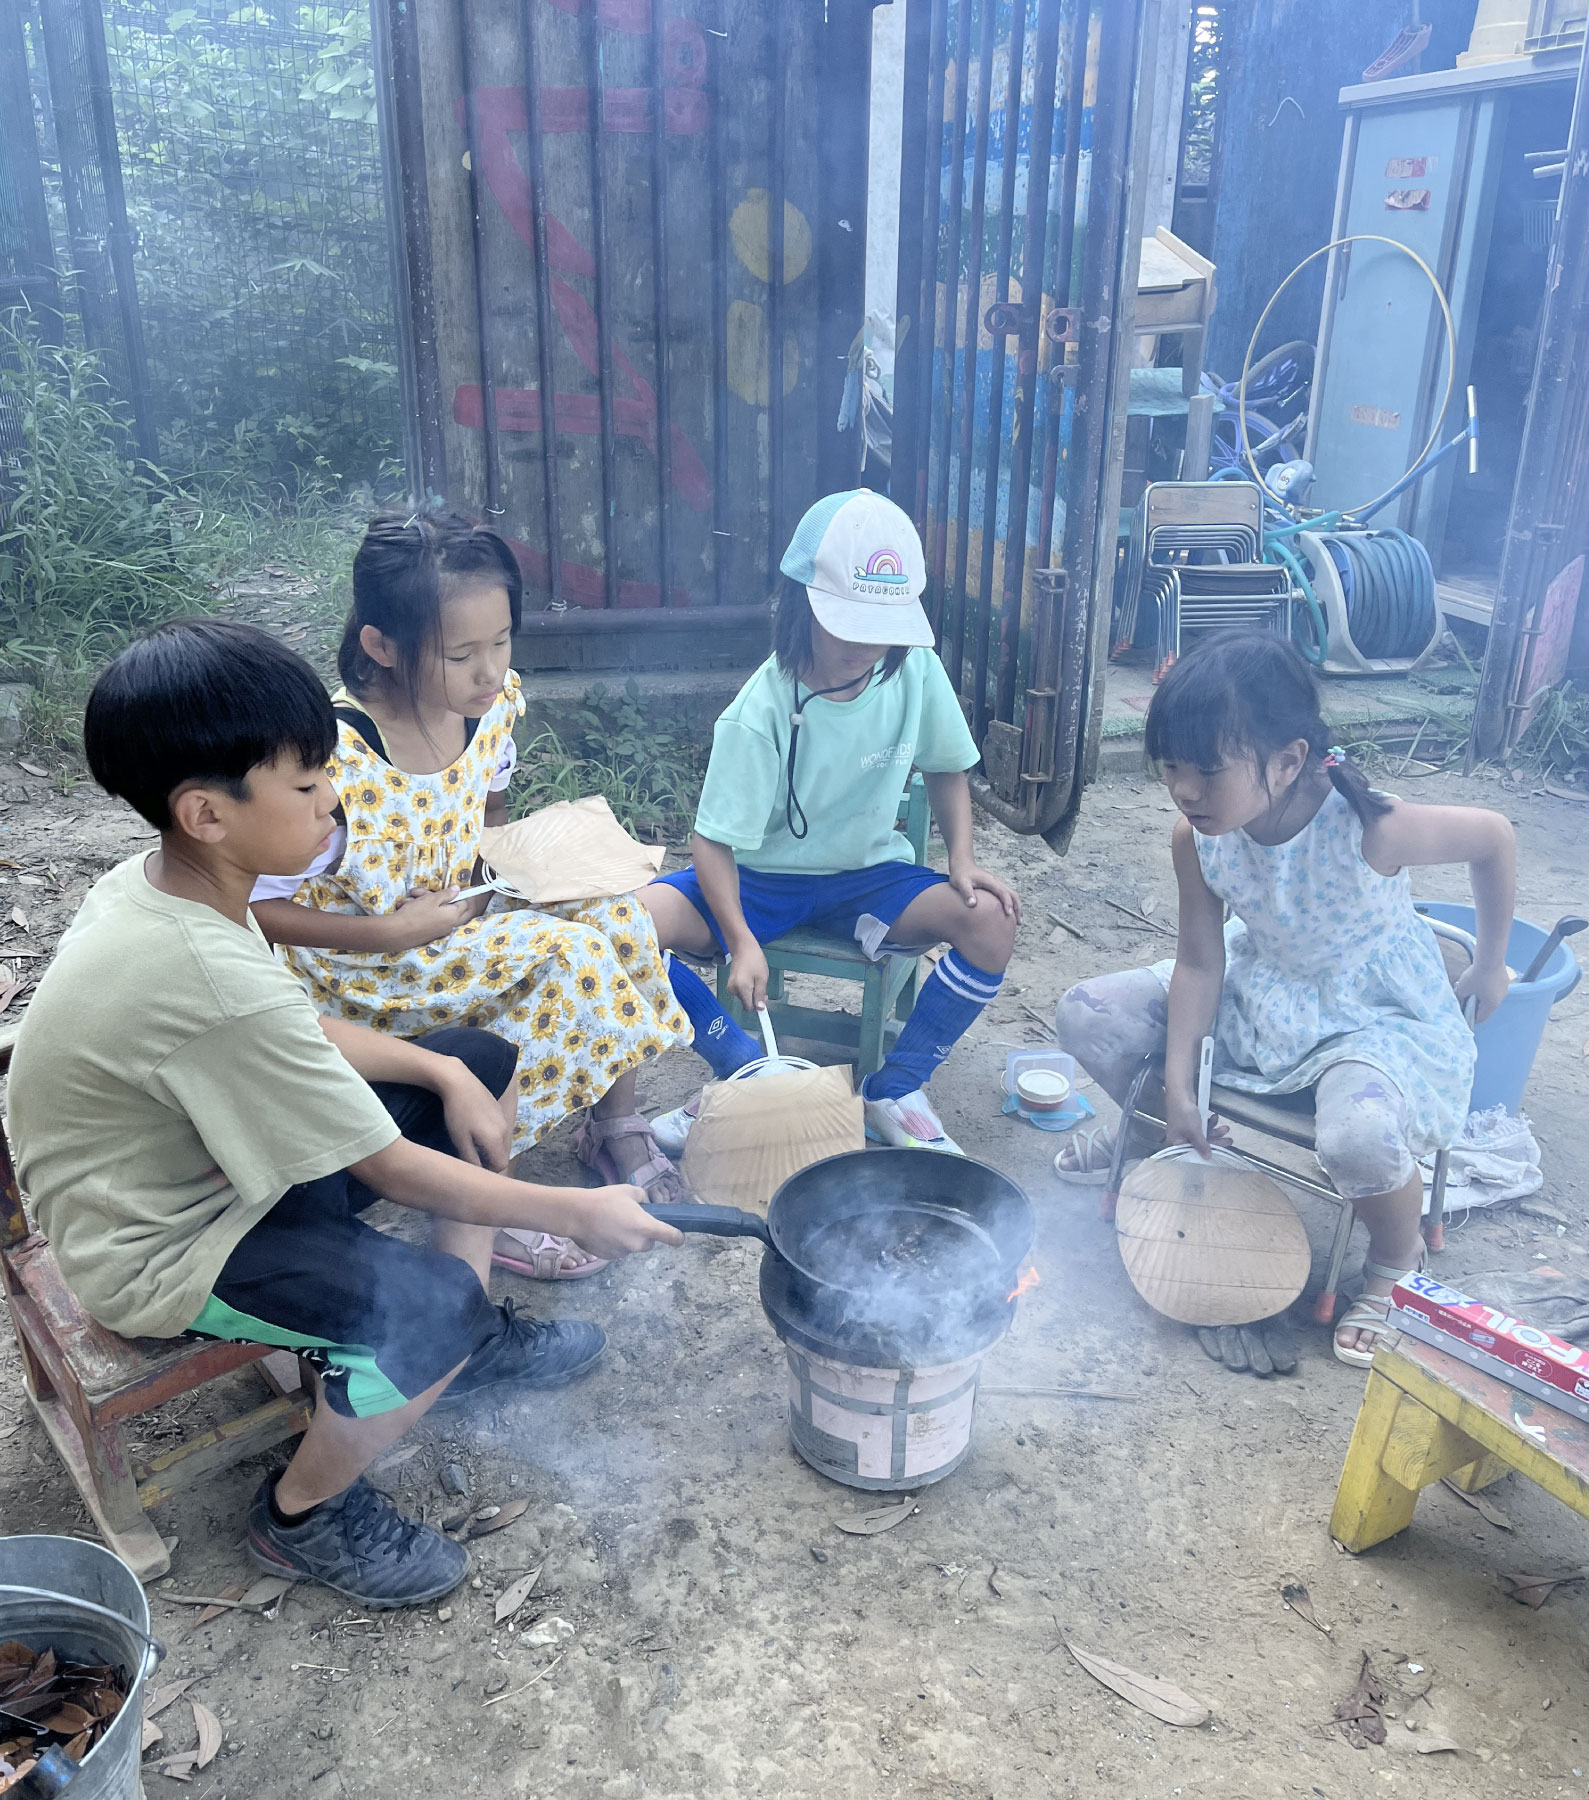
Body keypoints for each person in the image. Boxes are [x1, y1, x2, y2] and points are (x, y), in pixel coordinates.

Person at [7, 621, 681, 1607]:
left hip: (216, 1166)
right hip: (161, 1243)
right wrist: (581, 1213)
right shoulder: (194, 964)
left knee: (477, 1061)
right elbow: (388, 1170)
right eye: (306, 783)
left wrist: (443, 1075)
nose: (333, 799)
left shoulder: (174, 884)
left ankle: (465, 1350)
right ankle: (302, 1516)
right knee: (428, 1306)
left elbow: (293, 1020)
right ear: (206, 811)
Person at [249, 510, 692, 1283]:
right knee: (567, 955)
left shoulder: (489, 714)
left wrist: (516, 871)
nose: (490, 672)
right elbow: (254, 904)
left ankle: (611, 1125)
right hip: (370, 974)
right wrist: (389, 933)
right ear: (380, 646)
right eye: (461, 654)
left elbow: (488, 811)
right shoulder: (334, 761)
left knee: (616, 913)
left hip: (461, 920)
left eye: (502, 642)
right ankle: (494, 1202)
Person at [1054, 631, 1515, 1372]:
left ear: (1288, 760)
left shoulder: (1373, 828)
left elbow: (1493, 838)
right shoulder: (1195, 837)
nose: (1185, 790)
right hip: (1257, 988)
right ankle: (1151, 1132)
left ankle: (1395, 1263)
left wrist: (1490, 963)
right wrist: (1177, 1086)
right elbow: (1201, 963)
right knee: (1087, 1012)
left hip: (1368, 1014)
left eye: (1206, 770)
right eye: (1170, 767)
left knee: (1357, 1137)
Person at [641, 488, 1019, 1156]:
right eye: (848, 623)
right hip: (758, 882)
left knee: (992, 918)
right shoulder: (758, 710)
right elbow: (712, 841)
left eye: (883, 626)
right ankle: (748, 1073)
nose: (867, 645)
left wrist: (960, 859)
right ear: (800, 606)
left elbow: (947, 767)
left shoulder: (915, 672)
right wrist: (740, 940)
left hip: (870, 878)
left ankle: (893, 1090)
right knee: (624, 929)